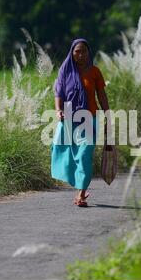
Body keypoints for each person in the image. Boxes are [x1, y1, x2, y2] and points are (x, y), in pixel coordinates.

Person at [51, 38, 111, 207]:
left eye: (84, 51)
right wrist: (58, 110)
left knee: (85, 155)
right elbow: (59, 93)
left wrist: (108, 114)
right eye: (77, 51)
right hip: (69, 117)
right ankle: (78, 185)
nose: (81, 54)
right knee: (66, 153)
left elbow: (101, 95)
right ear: (72, 52)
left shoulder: (95, 72)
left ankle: (81, 193)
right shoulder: (65, 71)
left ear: (88, 52)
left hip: (89, 118)